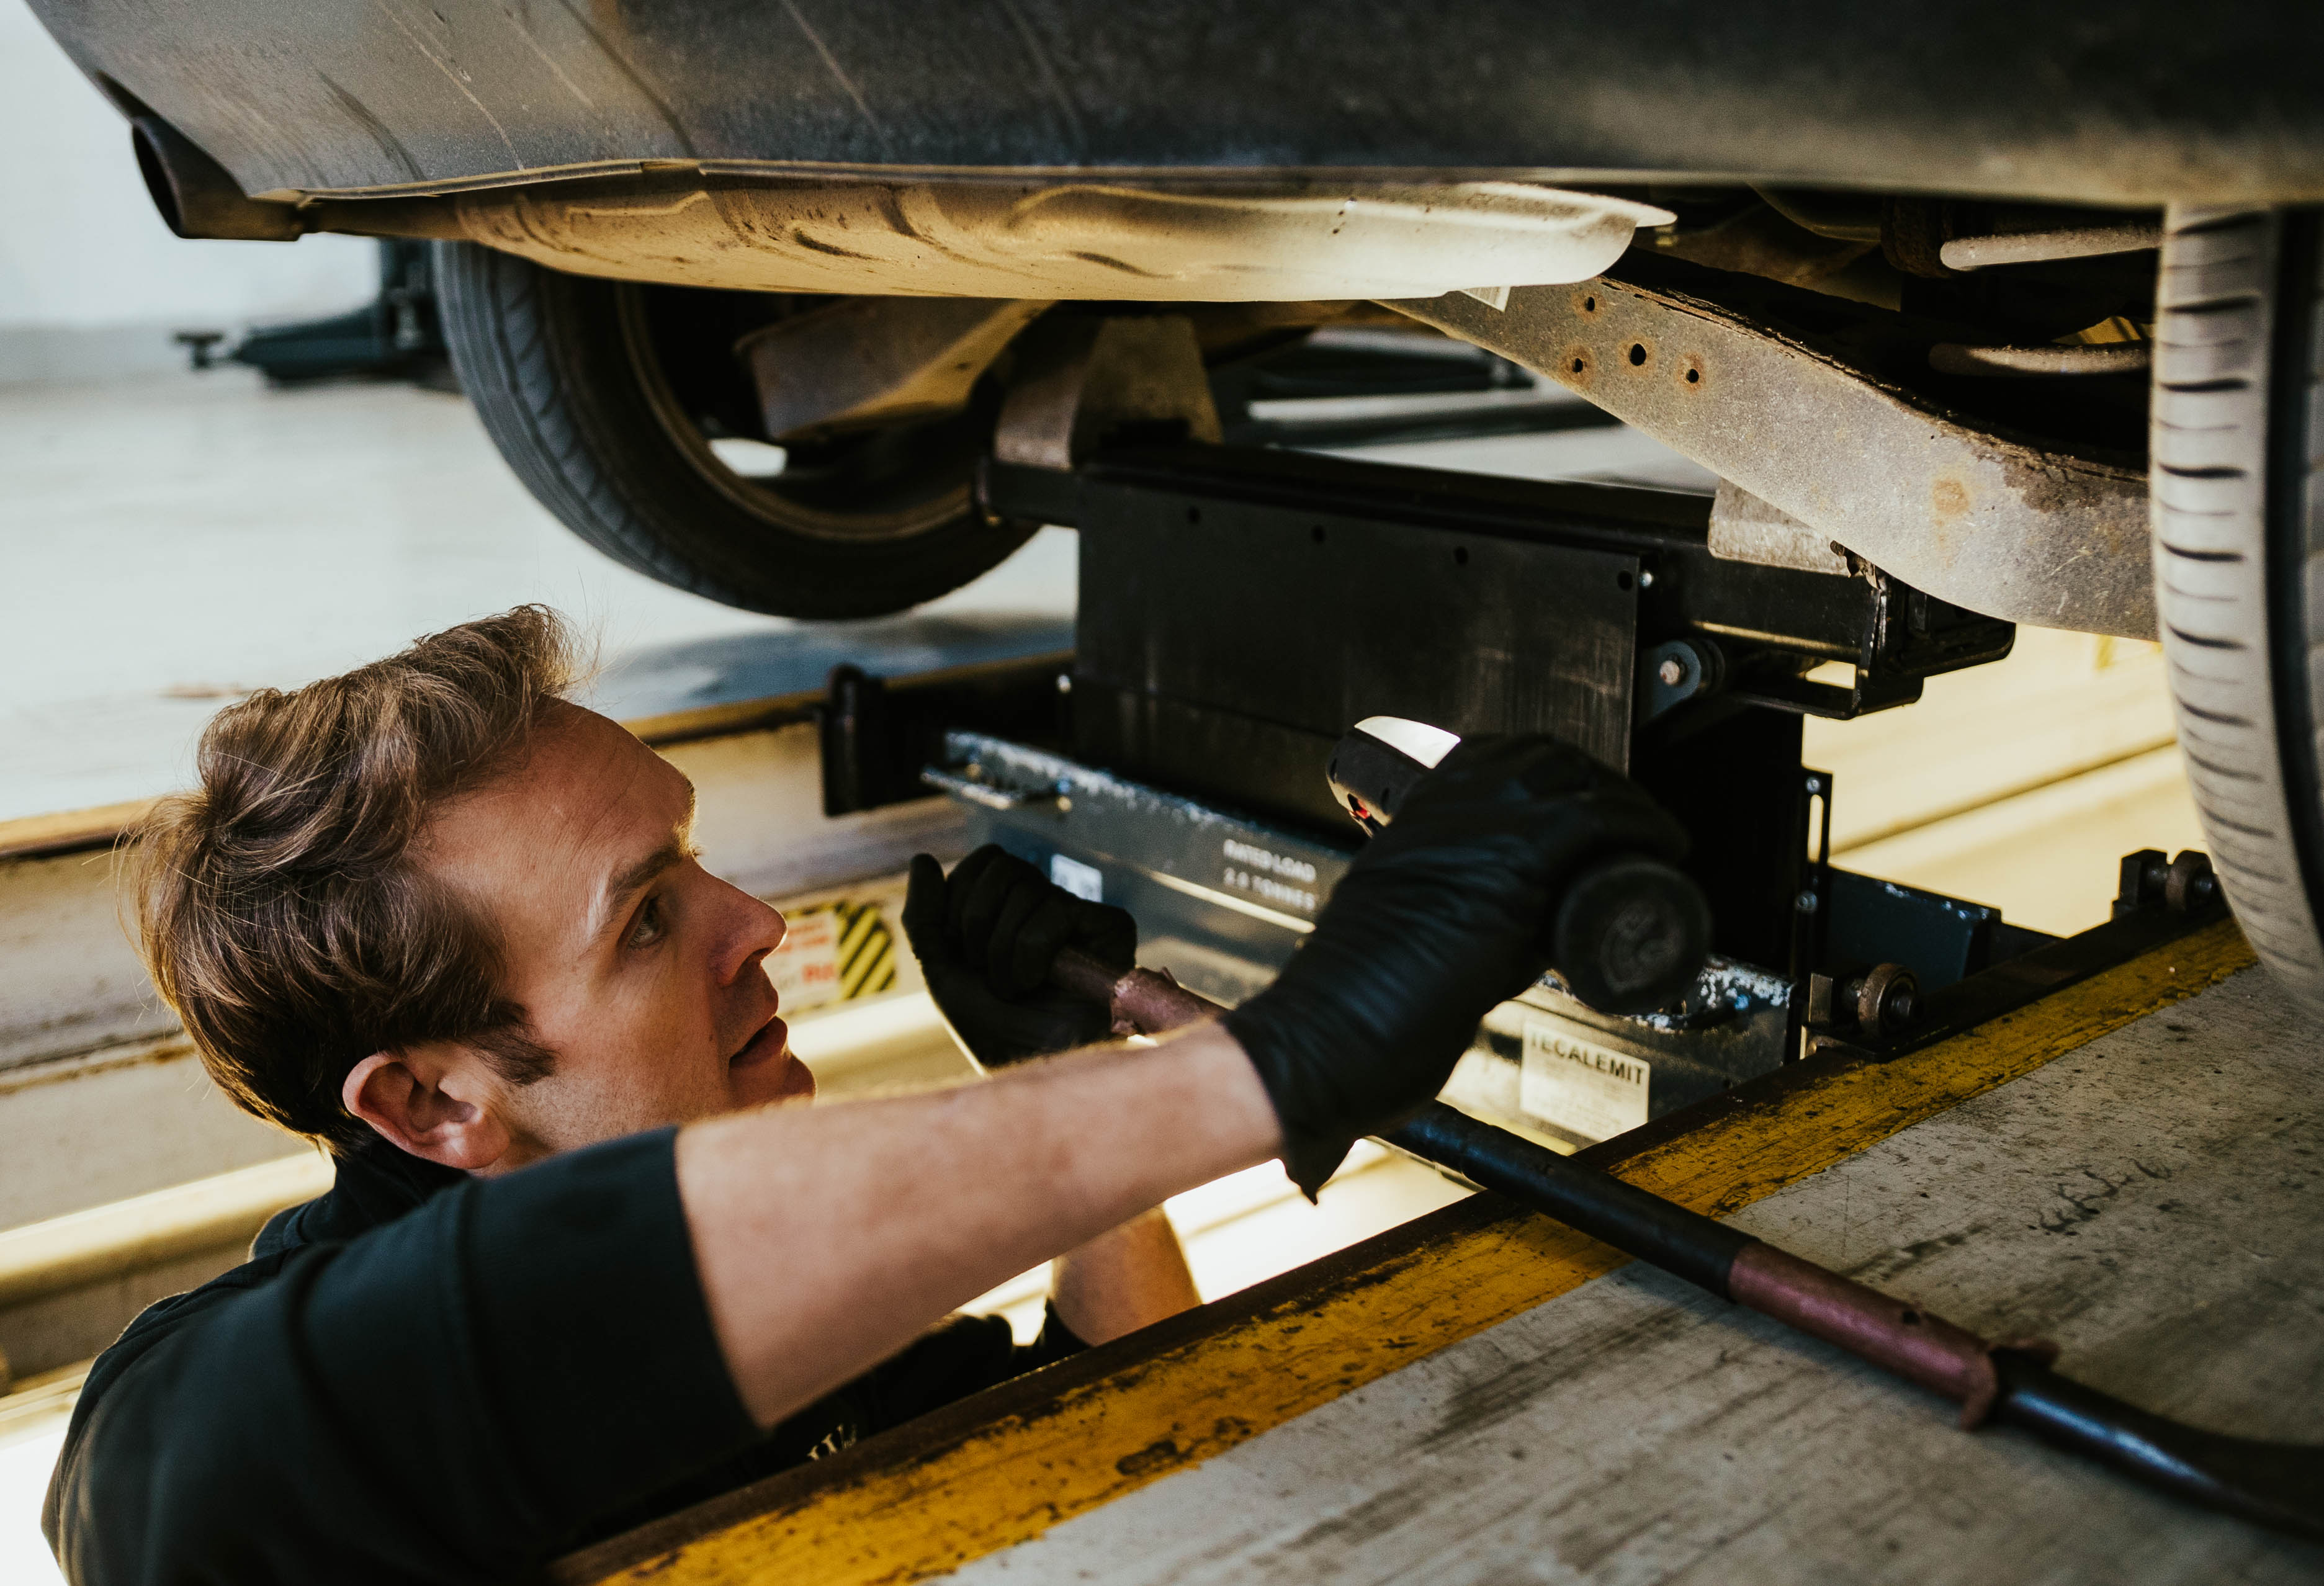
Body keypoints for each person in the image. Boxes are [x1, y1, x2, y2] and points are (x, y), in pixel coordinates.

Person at [42, 606, 1617, 1585]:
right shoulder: (185, 1432)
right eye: (647, 917)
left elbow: (1110, 1429)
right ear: (438, 1106)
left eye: (694, 858)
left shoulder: (797, 1322)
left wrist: (1073, 1095)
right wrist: (1284, 1058)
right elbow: (208, 1479)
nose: (758, 926)